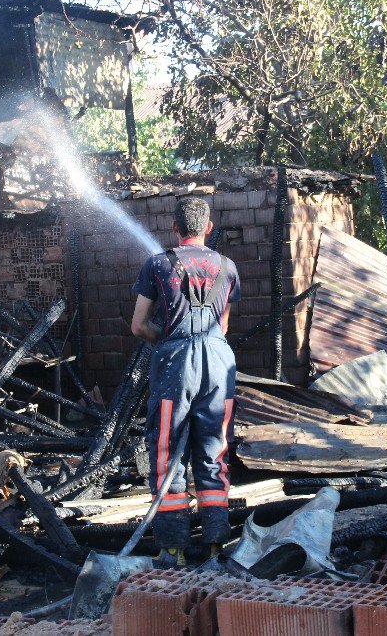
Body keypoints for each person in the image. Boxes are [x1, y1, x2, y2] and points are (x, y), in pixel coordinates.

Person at [130, 197, 240, 567]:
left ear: (174, 227)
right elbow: (223, 327)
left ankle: (172, 549)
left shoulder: (158, 263)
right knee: (214, 451)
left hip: (176, 362)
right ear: (208, 227)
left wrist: (169, 339)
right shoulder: (227, 267)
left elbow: (139, 325)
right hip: (220, 363)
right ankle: (214, 547)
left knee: (166, 451)